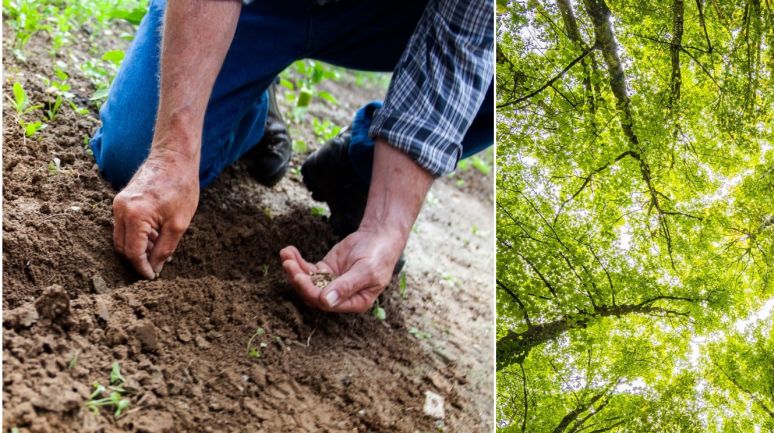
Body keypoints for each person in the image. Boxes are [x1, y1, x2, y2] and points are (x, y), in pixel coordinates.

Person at [90, 0, 493, 313]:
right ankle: (249, 103)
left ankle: (361, 169)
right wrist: (172, 153)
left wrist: (385, 227)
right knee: (133, 155)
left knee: (508, 66)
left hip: (388, 18)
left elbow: (459, 46)